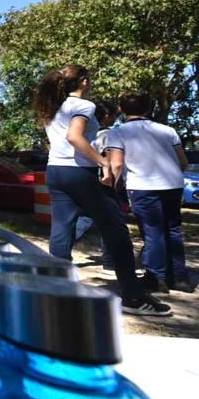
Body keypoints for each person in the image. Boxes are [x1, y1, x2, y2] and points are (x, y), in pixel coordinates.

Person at [33, 65, 171, 315]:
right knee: (116, 230)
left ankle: (56, 289)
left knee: (62, 230)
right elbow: (75, 137)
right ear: (83, 82)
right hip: (80, 173)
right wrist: (102, 160)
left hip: (55, 171)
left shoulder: (54, 107)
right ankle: (133, 296)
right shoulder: (84, 106)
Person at [106, 92, 191, 292]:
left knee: (153, 231)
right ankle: (179, 277)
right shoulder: (167, 130)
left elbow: (116, 163)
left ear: (121, 109)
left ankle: (155, 277)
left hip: (143, 184)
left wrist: (114, 184)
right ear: (148, 108)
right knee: (173, 228)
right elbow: (183, 160)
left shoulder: (118, 132)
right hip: (172, 183)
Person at [72, 99, 119, 272]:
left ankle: (63, 249)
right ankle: (110, 261)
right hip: (105, 181)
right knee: (110, 221)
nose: (116, 119)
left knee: (83, 218)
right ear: (107, 116)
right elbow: (112, 160)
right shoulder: (108, 135)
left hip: (86, 178)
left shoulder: (88, 133)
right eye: (115, 115)